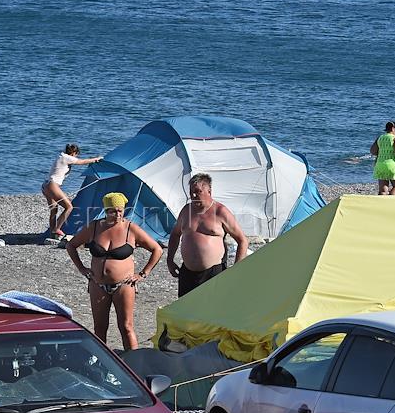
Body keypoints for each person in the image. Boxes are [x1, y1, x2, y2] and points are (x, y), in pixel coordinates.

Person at [66, 192, 162, 350]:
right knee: (99, 328)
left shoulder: (131, 229)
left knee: (126, 327)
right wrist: (81, 268)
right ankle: (102, 363)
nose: (117, 214)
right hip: (98, 284)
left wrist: (143, 273)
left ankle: (134, 363)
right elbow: (71, 245)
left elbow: (156, 249)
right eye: (112, 211)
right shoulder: (94, 227)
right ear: (106, 210)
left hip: (124, 285)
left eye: (120, 211)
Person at [166, 173, 249, 298]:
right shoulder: (186, 211)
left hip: (213, 273)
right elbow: (175, 234)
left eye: (198, 191)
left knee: (213, 313)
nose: (193, 195)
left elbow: (242, 240)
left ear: (209, 191)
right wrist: (170, 259)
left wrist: (236, 269)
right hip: (188, 274)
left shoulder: (220, 211)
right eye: (191, 192)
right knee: (186, 313)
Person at [41, 143, 102, 238]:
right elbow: (82, 162)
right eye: (76, 154)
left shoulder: (61, 156)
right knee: (69, 207)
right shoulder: (66, 157)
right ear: (74, 153)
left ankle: (52, 233)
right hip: (52, 185)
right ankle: (57, 229)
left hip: (46, 185)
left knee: (54, 209)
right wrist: (96, 159)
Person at [371, 121, 395, 195]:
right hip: (392, 165)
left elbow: (373, 151)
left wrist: (382, 152)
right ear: (393, 128)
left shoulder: (380, 138)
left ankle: (382, 204)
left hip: (380, 164)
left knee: (383, 190)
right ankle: (391, 201)